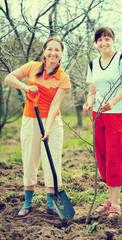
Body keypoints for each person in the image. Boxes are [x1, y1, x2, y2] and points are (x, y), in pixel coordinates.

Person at [5, 37, 71, 217]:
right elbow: (9, 78)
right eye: (50, 49)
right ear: (44, 51)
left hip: (52, 123)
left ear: (61, 54)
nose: (53, 53)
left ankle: (51, 203)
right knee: (30, 159)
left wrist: (48, 128)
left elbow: (55, 105)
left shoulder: (63, 78)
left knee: (52, 161)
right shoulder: (32, 67)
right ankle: (28, 202)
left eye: (57, 50)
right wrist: (25, 87)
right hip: (30, 120)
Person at [83, 26, 122, 218]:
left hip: (117, 113)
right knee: (102, 156)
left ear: (113, 39)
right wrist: (89, 103)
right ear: (95, 43)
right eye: (99, 40)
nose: (103, 42)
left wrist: (112, 103)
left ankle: (116, 204)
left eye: (107, 38)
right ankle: (111, 198)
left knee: (114, 156)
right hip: (98, 115)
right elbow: (92, 91)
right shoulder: (93, 64)